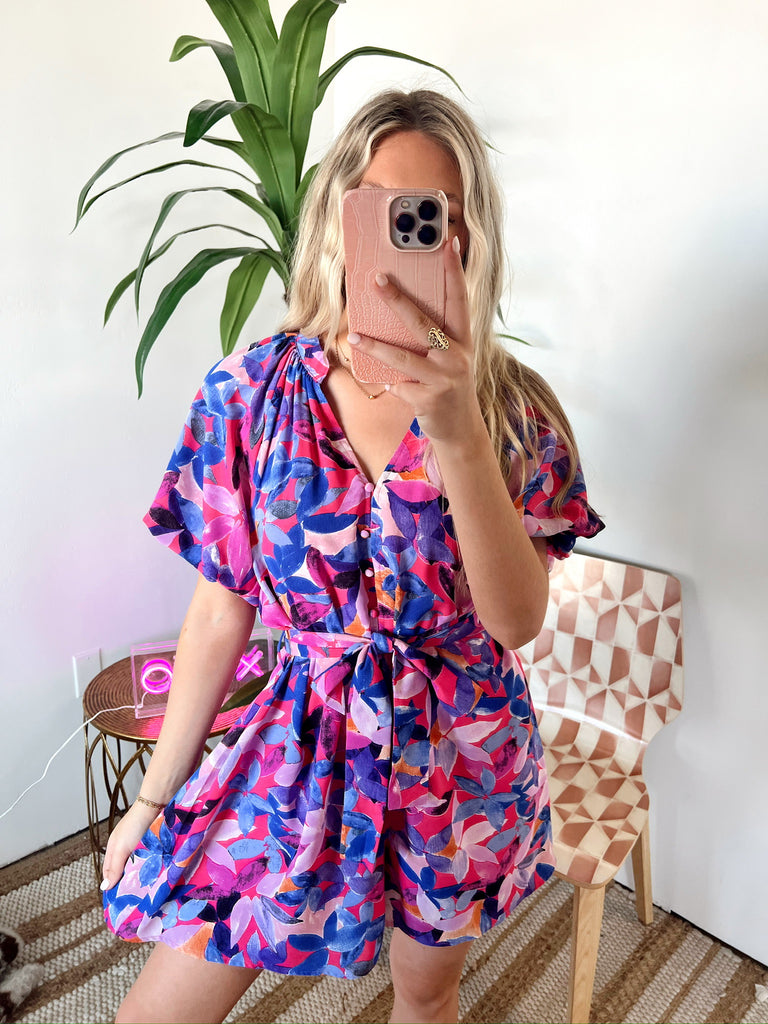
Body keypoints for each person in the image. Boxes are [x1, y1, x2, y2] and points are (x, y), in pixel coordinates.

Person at [101, 88, 604, 1024]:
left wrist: (455, 430)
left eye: (434, 215)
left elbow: (516, 622)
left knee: (427, 995)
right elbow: (219, 609)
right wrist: (154, 799)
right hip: (297, 745)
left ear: (467, 237)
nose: (409, 236)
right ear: (340, 217)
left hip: (459, 763)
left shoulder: (512, 413)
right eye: (384, 209)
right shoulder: (249, 394)